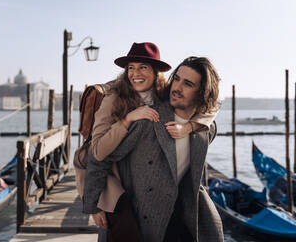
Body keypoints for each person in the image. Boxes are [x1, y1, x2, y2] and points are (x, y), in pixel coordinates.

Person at [83, 56, 223, 242]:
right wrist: (94, 205)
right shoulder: (149, 120)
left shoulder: (204, 130)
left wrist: (189, 127)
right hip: (142, 213)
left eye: (188, 84)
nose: (177, 88)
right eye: (176, 79)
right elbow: (100, 157)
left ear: (202, 93)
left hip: (182, 213)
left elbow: (213, 109)